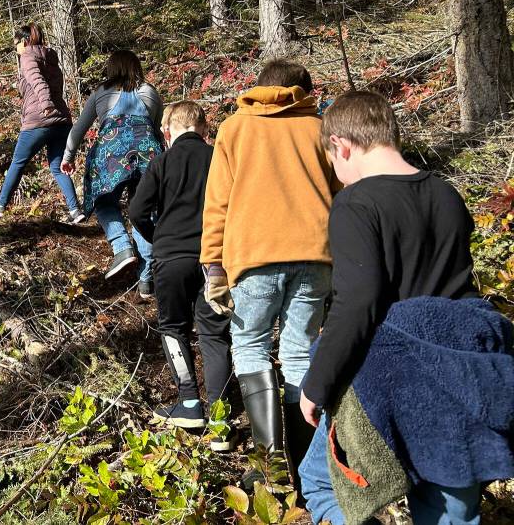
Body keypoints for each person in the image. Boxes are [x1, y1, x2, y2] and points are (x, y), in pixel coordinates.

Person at [296, 91, 512, 525]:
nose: (337, 175)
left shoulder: (356, 204)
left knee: (321, 482)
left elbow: (357, 303)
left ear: (342, 145)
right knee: (450, 506)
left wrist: (316, 384)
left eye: (333, 163)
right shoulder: (446, 194)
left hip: (384, 377)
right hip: (454, 372)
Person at [199, 59, 337, 489]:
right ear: (303, 90)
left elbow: (217, 203)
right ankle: (306, 467)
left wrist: (213, 266)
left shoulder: (234, 129)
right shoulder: (318, 128)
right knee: (299, 352)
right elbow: (341, 192)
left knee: (250, 347)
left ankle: (270, 463)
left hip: (253, 257)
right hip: (316, 256)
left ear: (259, 88)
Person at [128, 101, 234, 447]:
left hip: (171, 257)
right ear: (205, 129)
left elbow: (137, 211)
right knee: (214, 334)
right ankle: (221, 424)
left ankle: (189, 403)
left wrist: (156, 236)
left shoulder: (161, 162)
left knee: (173, 328)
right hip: (214, 259)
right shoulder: (219, 157)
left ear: (167, 132)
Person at [61, 50, 162, 294]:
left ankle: (121, 246)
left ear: (111, 69)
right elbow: (158, 129)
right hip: (148, 154)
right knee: (143, 211)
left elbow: (78, 130)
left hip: (111, 154)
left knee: (103, 200)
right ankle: (146, 280)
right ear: (136, 67)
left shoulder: (101, 92)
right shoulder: (149, 91)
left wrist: (68, 157)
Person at [0, 23, 85, 223]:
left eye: (16, 44)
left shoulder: (28, 56)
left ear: (24, 41)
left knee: (18, 163)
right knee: (57, 167)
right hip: (62, 122)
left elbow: (38, 81)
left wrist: (45, 103)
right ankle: (75, 210)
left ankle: (0, 205)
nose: (16, 49)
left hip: (39, 120)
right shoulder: (51, 58)